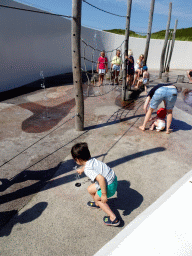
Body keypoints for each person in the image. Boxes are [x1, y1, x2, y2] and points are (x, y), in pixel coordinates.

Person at [71, 142, 120, 226]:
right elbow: (87, 165)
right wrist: (82, 169)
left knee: (98, 198)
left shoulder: (88, 170)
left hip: (108, 185)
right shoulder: (92, 160)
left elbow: (100, 178)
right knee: (90, 189)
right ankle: (98, 204)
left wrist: (104, 195)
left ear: (78, 160)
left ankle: (113, 218)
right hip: (113, 180)